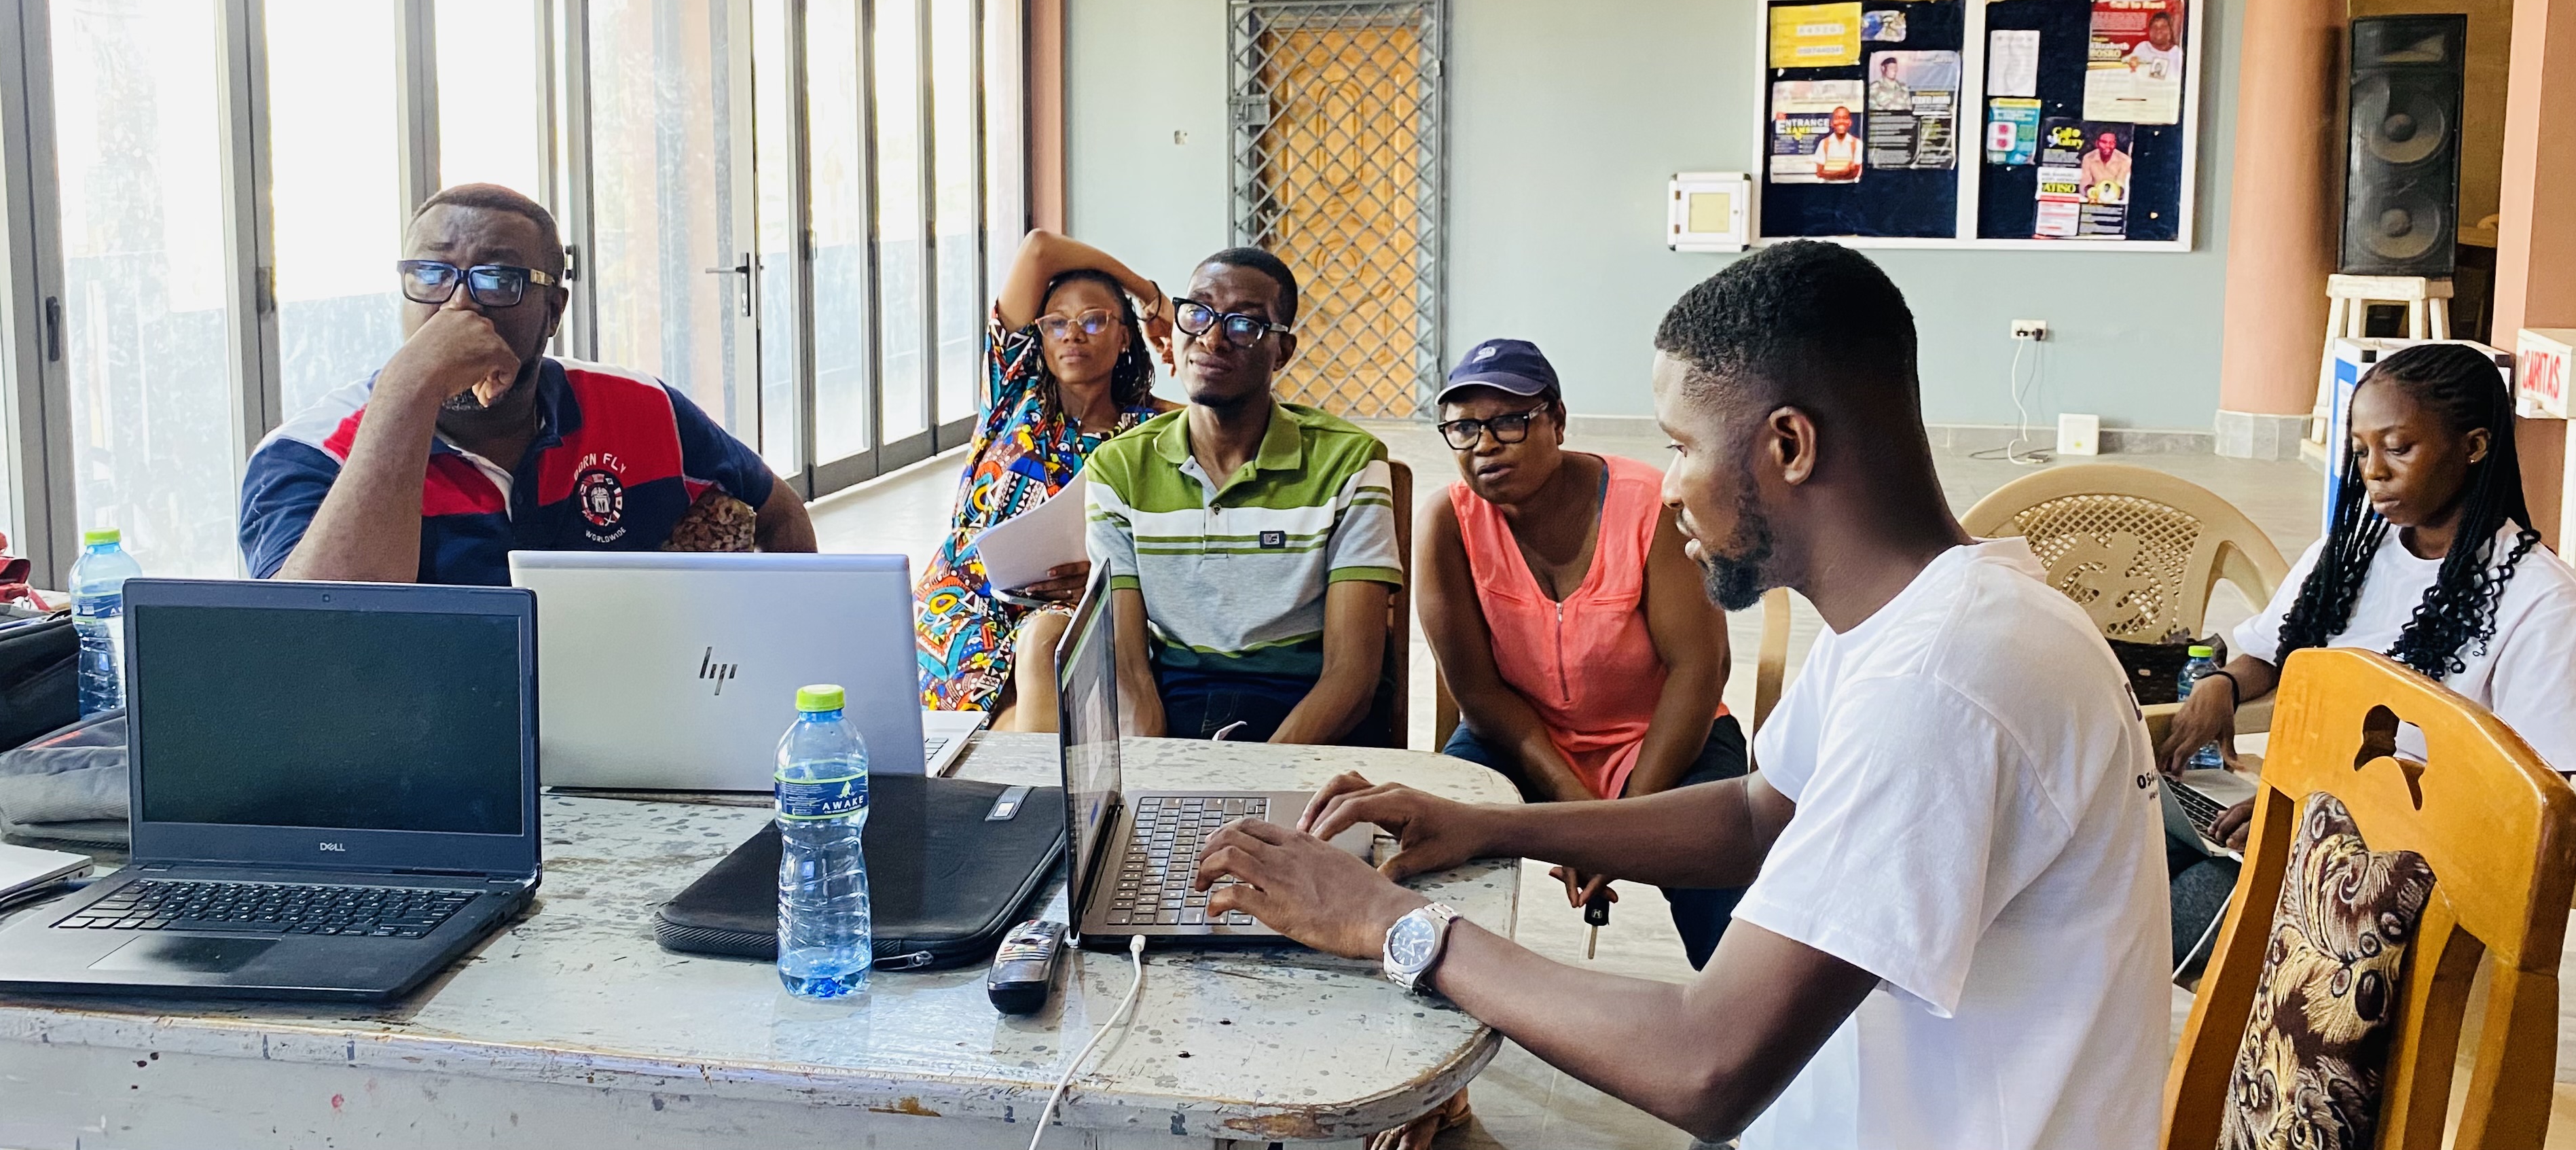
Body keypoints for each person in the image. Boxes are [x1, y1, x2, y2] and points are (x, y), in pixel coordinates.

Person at [1188, 242, 2170, 1149]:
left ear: (1789, 445)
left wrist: (1389, 925)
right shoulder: (1926, 616)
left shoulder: (1943, 681)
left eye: (1682, 445)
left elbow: (1706, 1063)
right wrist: (1495, 827)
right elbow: (1756, 816)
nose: (1663, 487)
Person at [2158, 341, 2576, 971]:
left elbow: (2527, 803)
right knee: (2127, 838)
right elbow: (2271, 649)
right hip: (2309, 824)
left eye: (2398, 448)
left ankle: (2268, 1060)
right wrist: (2223, 684)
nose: (2374, 470)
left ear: (2475, 446)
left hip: (2412, 874)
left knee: (2174, 904)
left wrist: (2333, 832)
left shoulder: (2542, 602)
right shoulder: (2350, 552)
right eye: (2362, 450)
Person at [241, 184, 815, 584]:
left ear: (553, 310)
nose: (458, 306)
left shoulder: (642, 409)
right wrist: (410, 387)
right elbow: (310, 639)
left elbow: (778, 512)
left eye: (499, 278)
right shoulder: (310, 454)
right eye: (431, 275)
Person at [1419, 337, 1742, 969]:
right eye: (1463, 427)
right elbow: (1479, 694)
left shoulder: (1648, 503)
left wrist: (1618, 828)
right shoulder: (1447, 522)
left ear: (1558, 421)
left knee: (1731, 894)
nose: (1485, 444)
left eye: (1510, 422)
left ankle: (1754, 1045)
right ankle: (1438, 1013)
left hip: (1666, 739)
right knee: (1431, 860)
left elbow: (1699, 670)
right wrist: (1580, 810)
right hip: (1518, 739)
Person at [997, 247, 1400, 744]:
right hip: (1180, 702)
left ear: (1283, 351)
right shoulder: (1120, 466)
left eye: (1244, 325)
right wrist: (1156, 770)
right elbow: (1129, 663)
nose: (1212, 338)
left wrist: (1258, 779)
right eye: (1198, 313)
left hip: (1308, 712)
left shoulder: (1350, 461)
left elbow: (1351, 675)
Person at [915, 230, 1173, 711]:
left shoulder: (1153, 431)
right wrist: (1147, 293)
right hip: (965, 602)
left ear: (1124, 339)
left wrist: (1105, 576)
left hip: (1070, 605)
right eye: (1057, 323)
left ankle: (1021, 785)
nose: (1073, 334)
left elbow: (1242, 423)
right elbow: (1038, 249)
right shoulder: (1013, 396)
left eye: (1094, 321)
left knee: (1048, 645)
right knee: (1006, 711)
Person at [2125, 8, 2184, 81]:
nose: (2159, 30)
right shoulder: (2142, 48)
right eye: (2154, 27)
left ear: (2171, 30)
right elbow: (2133, 74)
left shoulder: (2177, 53)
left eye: (2163, 27)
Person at [1812, 107, 1862, 181]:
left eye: (1845, 118)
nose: (1841, 121)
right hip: (1828, 189)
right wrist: (1845, 171)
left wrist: (1830, 174)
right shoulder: (1824, 144)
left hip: (1850, 189)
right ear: (1832, 123)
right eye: (1837, 118)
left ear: (1850, 122)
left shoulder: (1857, 144)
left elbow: (1854, 174)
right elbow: (1820, 173)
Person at [2080, 130, 2131, 200]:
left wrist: (2112, 194)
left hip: (2115, 199)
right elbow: (2085, 183)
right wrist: (2092, 192)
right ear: (2097, 143)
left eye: (2111, 143)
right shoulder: (2088, 158)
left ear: (2115, 144)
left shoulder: (2125, 160)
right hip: (2094, 197)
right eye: (2104, 142)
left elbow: (2122, 184)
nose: (2108, 146)